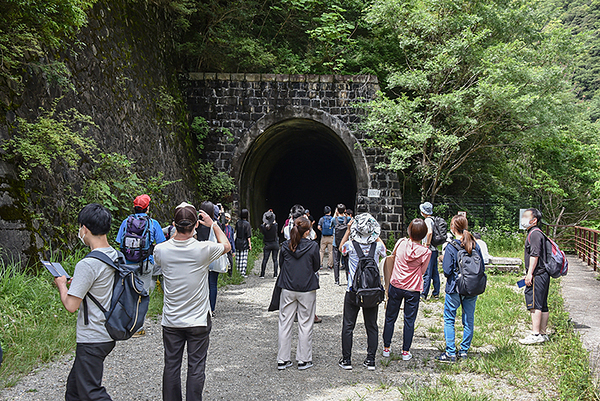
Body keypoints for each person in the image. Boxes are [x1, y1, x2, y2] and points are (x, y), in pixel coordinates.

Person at [154, 202, 231, 401]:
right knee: (196, 367)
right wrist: (213, 224)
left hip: (171, 321)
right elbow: (226, 245)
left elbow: (164, 254)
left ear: (173, 225)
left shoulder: (161, 250)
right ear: (196, 225)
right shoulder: (203, 249)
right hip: (198, 320)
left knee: (171, 365)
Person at [54, 203, 118, 400]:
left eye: (80, 227)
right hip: (108, 330)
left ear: (85, 229)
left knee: (91, 392)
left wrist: (62, 284)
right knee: (74, 391)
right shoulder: (115, 255)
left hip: (93, 336)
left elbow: (71, 306)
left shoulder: (88, 264)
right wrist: (79, 284)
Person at [338, 213, 387, 371]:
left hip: (353, 290)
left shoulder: (351, 246)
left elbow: (341, 248)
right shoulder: (377, 246)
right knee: (371, 325)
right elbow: (385, 252)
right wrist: (375, 235)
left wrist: (348, 230)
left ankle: (347, 360)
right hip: (371, 290)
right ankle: (370, 360)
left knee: (348, 325)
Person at [116, 194, 166, 335]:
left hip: (127, 264)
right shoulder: (153, 223)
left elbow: (119, 241)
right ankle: (138, 328)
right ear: (147, 208)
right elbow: (162, 244)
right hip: (145, 263)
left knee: (128, 293)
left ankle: (125, 325)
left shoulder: (126, 222)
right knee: (142, 294)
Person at [382, 218, 431, 361]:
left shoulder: (401, 243)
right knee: (409, 320)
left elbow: (393, 257)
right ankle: (405, 351)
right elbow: (422, 271)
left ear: (409, 231)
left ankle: (386, 348)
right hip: (413, 288)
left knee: (390, 317)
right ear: (423, 234)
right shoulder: (426, 252)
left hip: (396, 284)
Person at [438, 214, 485, 362]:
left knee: (449, 319)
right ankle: (464, 351)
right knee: (468, 319)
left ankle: (451, 353)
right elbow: (482, 266)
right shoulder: (474, 244)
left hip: (455, 287)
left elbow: (446, 270)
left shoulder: (452, 246)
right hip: (472, 287)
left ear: (453, 228)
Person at [276, 216, 320, 370]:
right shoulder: (313, 247)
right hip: (307, 288)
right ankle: (304, 359)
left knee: (285, 323)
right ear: (307, 232)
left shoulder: (285, 246)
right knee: (305, 323)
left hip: (288, 287)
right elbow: (316, 266)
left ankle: (283, 359)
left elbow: (282, 264)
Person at [519, 208, 551, 345]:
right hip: (543, 273)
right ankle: (543, 333)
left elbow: (535, 255)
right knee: (542, 304)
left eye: (526, 216)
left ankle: (536, 334)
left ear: (534, 220)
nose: (523, 219)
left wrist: (529, 274)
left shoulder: (534, 234)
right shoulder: (537, 233)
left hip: (537, 274)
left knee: (535, 304)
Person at [419, 201, 440, 300]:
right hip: (435, 250)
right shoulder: (434, 219)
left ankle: (424, 293)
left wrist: (426, 245)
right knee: (435, 272)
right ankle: (436, 293)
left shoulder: (427, 221)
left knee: (427, 272)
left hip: (429, 249)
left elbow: (429, 232)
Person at [332, 204, 351, 286]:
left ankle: (337, 280)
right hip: (346, 243)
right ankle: (348, 279)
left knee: (336, 262)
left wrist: (335, 214)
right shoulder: (348, 218)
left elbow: (331, 226)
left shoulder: (334, 219)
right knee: (347, 261)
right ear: (345, 210)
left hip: (336, 242)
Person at [260, 210, 279, 278]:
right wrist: (271, 215)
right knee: (275, 259)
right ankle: (275, 274)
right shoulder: (275, 226)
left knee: (265, 259)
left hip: (267, 244)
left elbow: (263, 224)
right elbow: (274, 222)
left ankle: (262, 274)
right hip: (275, 244)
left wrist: (267, 216)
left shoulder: (263, 227)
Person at [235, 209, 252, 277]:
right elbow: (248, 235)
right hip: (244, 241)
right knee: (243, 258)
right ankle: (242, 272)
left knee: (238, 257)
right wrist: (250, 244)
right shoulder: (247, 224)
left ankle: (237, 271)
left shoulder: (237, 222)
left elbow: (236, 232)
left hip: (238, 240)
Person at [318, 206, 334, 270]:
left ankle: (320, 265)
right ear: (330, 212)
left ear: (324, 212)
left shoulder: (322, 219)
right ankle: (329, 266)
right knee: (331, 251)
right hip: (331, 237)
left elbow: (318, 227)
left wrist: (322, 231)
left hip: (324, 237)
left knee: (321, 251)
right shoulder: (333, 219)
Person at [223, 212, 236, 277]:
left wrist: (233, 250)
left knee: (230, 262)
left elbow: (232, 239)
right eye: (225, 217)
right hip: (223, 246)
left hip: (229, 246)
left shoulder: (230, 228)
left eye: (227, 218)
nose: (226, 219)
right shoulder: (221, 227)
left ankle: (230, 275)